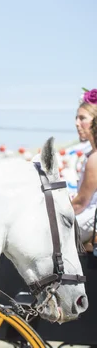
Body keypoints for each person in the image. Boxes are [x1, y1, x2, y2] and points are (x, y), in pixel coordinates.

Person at [71, 89, 97, 248]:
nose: (77, 123)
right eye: (76, 118)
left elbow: (81, 203)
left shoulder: (95, 158)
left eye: (82, 118)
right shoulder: (90, 155)